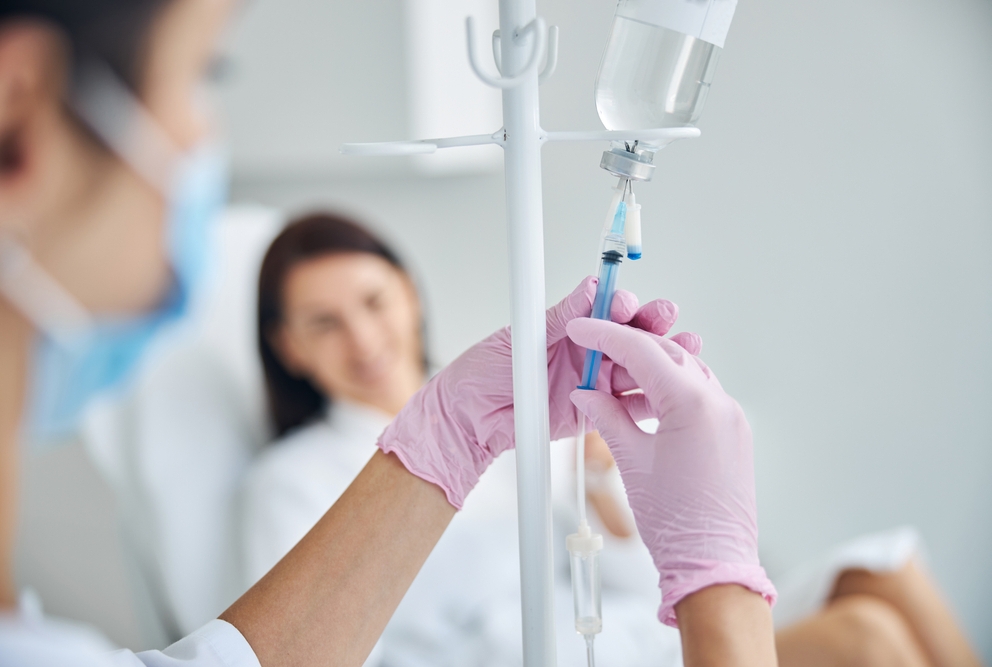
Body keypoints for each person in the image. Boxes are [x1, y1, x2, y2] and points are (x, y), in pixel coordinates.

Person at [0, 1, 785, 665]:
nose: (202, 141)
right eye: (205, 74)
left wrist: (457, 429)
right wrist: (717, 575)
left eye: (374, 301)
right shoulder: (287, 482)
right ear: (19, 115)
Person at [243, 213, 984, 667]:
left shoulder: (520, 400)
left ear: (408, 292)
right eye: (323, 322)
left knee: (888, 565)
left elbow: (633, 583)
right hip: (554, 655)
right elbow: (316, 647)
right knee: (866, 639)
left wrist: (603, 483)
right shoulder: (295, 479)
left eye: (373, 301)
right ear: (288, 346)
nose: (364, 337)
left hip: (635, 629)